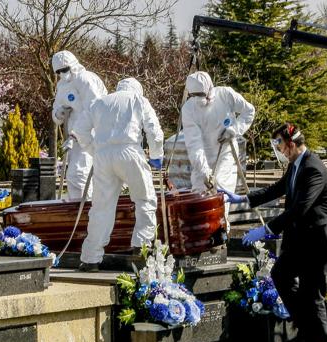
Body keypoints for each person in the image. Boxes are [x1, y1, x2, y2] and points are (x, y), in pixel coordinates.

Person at [219, 123, 327, 342]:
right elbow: (277, 189)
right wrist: (243, 198)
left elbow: (300, 208)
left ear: (291, 144)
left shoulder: (313, 167)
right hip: (305, 236)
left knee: (312, 292)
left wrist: (266, 229)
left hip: (322, 236)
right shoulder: (295, 165)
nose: (278, 149)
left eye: (279, 144)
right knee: (281, 274)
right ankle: (309, 330)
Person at [72, 78, 163, 272]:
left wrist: (94, 150)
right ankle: (141, 248)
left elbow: (79, 130)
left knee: (101, 208)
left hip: (103, 156)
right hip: (130, 152)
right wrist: (156, 155)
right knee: (144, 199)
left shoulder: (99, 102)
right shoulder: (138, 100)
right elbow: (154, 132)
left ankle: (90, 259)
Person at [181, 71, 255, 218]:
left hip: (226, 153)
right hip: (203, 157)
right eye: (198, 96)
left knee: (221, 192)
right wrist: (205, 171)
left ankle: (221, 232)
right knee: (199, 195)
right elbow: (194, 145)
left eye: (204, 94)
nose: (203, 99)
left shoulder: (226, 95)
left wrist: (234, 130)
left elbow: (249, 111)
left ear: (210, 88)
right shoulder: (189, 109)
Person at [52, 50, 107, 200]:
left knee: (80, 172)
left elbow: (94, 109)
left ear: (73, 65)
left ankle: (84, 207)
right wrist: (58, 113)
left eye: (65, 70)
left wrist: (77, 133)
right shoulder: (62, 85)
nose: (62, 74)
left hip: (91, 133)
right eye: (59, 71)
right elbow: (56, 108)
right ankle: (77, 207)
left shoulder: (86, 79)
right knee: (75, 173)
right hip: (74, 136)